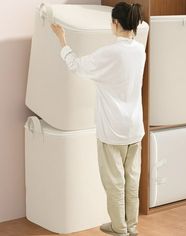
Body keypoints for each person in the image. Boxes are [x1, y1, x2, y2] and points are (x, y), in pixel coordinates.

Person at [51, 2, 146, 236]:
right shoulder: (139, 50)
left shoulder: (110, 53)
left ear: (115, 23)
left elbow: (77, 66)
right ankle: (130, 227)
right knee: (131, 181)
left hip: (112, 129)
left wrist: (62, 40)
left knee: (115, 183)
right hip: (134, 128)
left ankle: (119, 228)